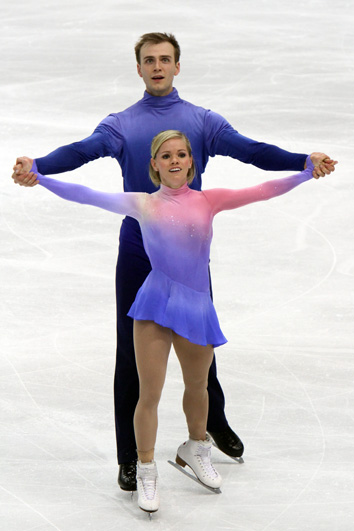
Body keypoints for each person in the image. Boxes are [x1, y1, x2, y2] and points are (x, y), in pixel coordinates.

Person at [12, 32, 337, 491]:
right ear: (139, 69)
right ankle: (131, 456)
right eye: (149, 60)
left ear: (177, 66)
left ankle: (208, 427)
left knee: (198, 339)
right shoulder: (121, 124)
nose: (158, 66)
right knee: (132, 354)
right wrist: (39, 167)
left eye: (166, 59)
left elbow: (253, 152)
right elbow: (80, 153)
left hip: (186, 245)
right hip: (138, 249)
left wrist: (303, 160)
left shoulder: (201, 121)